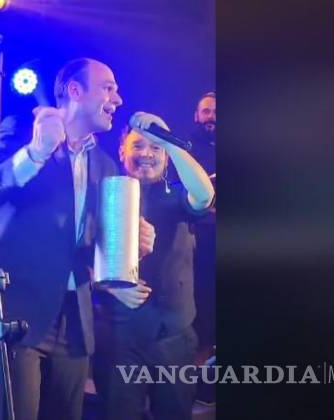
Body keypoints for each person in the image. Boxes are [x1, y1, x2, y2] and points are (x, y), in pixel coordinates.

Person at [0, 58, 155, 420]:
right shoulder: (20, 131)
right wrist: (35, 153)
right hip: (14, 309)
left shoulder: (106, 165)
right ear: (75, 91)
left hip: (74, 317)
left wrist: (132, 244)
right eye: (108, 88)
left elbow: (88, 245)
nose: (118, 99)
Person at [93, 111, 215, 420]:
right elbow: (77, 255)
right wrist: (106, 283)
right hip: (119, 335)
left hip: (173, 335)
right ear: (122, 151)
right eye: (138, 145)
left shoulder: (176, 195)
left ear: (166, 157)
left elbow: (204, 195)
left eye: (156, 147)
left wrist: (169, 141)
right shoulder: (103, 194)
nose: (147, 153)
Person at [188, 91, 216, 359]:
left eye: (216, 112)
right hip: (200, 232)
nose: (211, 116)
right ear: (196, 116)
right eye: (206, 111)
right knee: (202, 291)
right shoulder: (186, 149)